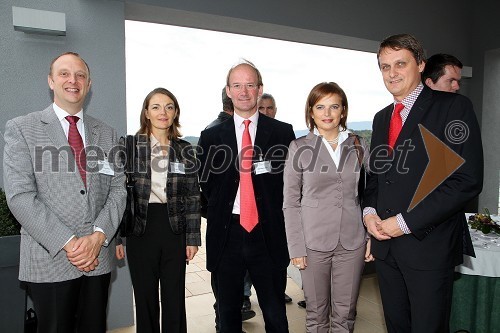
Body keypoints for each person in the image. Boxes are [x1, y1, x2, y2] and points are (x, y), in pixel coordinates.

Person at [363, 34, 483, 333]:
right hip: (386, 249)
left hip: (428, 247)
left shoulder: (453, 107)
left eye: (400, 63)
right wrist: (368, 213)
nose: (391, 73)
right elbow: (375, 178)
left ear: (420, 64)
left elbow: (466, 181)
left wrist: (403, 223)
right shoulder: (380, 119)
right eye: (384, 66)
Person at [3, 52, 126, 333]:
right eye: (64, 74)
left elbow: (118, 189)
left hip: (97, 258)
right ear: (51, 81)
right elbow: (20, 196)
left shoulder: (106, 133)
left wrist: (98, 237)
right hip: (51, 259)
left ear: (89, 83)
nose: (73, 80)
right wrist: (71, 243)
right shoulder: (22, 128)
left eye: (80, 75)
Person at [197, 60, 295, 332]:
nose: (243, 92)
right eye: (237, 85)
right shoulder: (211, 136)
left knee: (275, 312)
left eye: (250, 85)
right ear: (228, 91)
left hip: (269, 234)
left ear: (259, 89)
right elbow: (206, 185)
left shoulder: (282, 133)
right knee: (228, 315)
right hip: (227, 234)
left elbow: (290, 184)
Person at [283, 82, 373, 332]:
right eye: (320, 106)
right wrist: (296, 246)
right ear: (311, 112)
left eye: (334, 106)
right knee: (316, 314)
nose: (327, 113)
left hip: (352, 241)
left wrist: (369, 235)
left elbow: (369, 194)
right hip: (312, 243)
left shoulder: (358, 144)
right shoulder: (299, 148)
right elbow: (290, 202)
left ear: (343, 110)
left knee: (346, 314)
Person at [116, 87, 201, 333]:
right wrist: (119, 237)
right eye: (156, 107)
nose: (163, 112)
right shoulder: (130, 146)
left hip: (174, 226)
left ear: (175, 113)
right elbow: (120, 194)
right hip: (140, 227)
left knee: (175, 297)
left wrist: (192, 238)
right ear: (146, 113)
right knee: (145, 298)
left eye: (169, 107)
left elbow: (193, 195)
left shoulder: (185, 149)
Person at [204, 88, 257, 331]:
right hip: (228, 224)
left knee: (225, 291)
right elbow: (205, 183)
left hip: (247, 221)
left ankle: (224, 316)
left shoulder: (267, 131)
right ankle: (224, 317)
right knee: (226, 289)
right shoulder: (213, 133)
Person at [248, 92, 293, 306]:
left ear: (275, 109)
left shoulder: (285, 132)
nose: (266, 112)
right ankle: (245, 296)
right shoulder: (248, 132)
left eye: (270, 108)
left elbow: (293, 172)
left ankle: (278, 291)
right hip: (250, 208)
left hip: (277, 208)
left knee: (277, 256)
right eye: (262, 108)